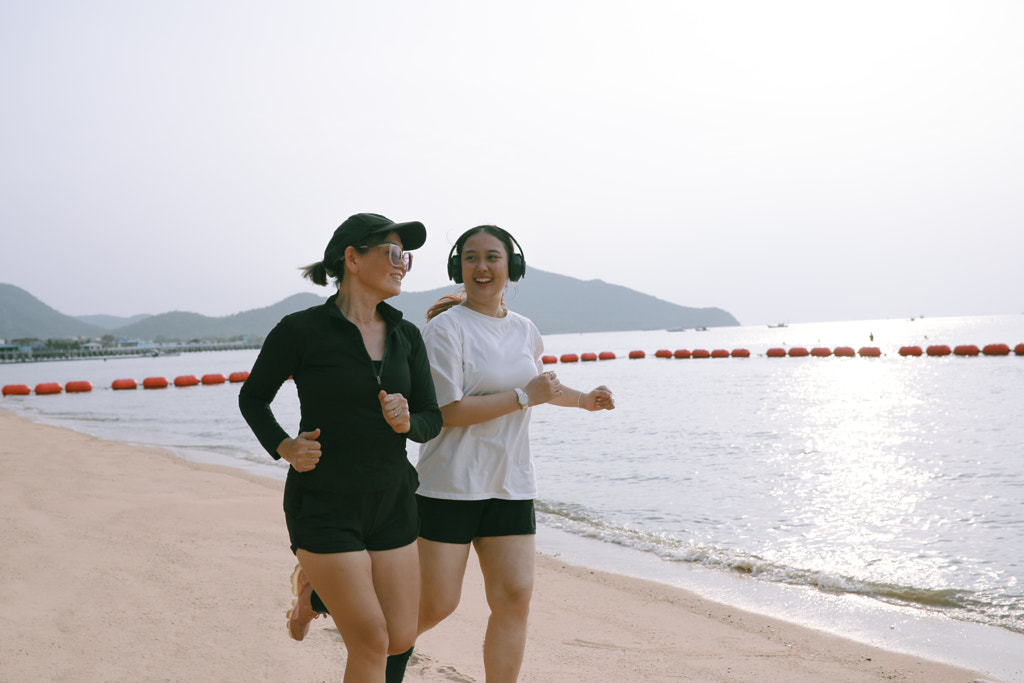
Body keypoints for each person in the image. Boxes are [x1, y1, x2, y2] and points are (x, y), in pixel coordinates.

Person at [403, 225, 615, 682]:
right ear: (458, 268)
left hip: (510, 485)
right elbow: (445, 412)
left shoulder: (525, 329)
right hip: (449, 487)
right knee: (437, 605)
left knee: (514, 599)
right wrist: (524, 396)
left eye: (492, 257)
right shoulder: (444, 330)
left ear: (511, 267)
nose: (482, 267)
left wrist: (582, 399)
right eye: (471, 257)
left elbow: (541, 388)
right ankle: (372, 652)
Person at [239, 212, 442, 682]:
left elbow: (432, 418)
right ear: (352, 258)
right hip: (324, 502)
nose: (403, 265)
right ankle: (319, 586)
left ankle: (314, 596)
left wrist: (409, 421)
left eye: (406, 257)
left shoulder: (406, 336)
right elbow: (253, 397)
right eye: (393, 253)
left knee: (400, 637)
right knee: (370, 639)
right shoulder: (301, 329)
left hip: (391, 500)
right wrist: (284, 446)